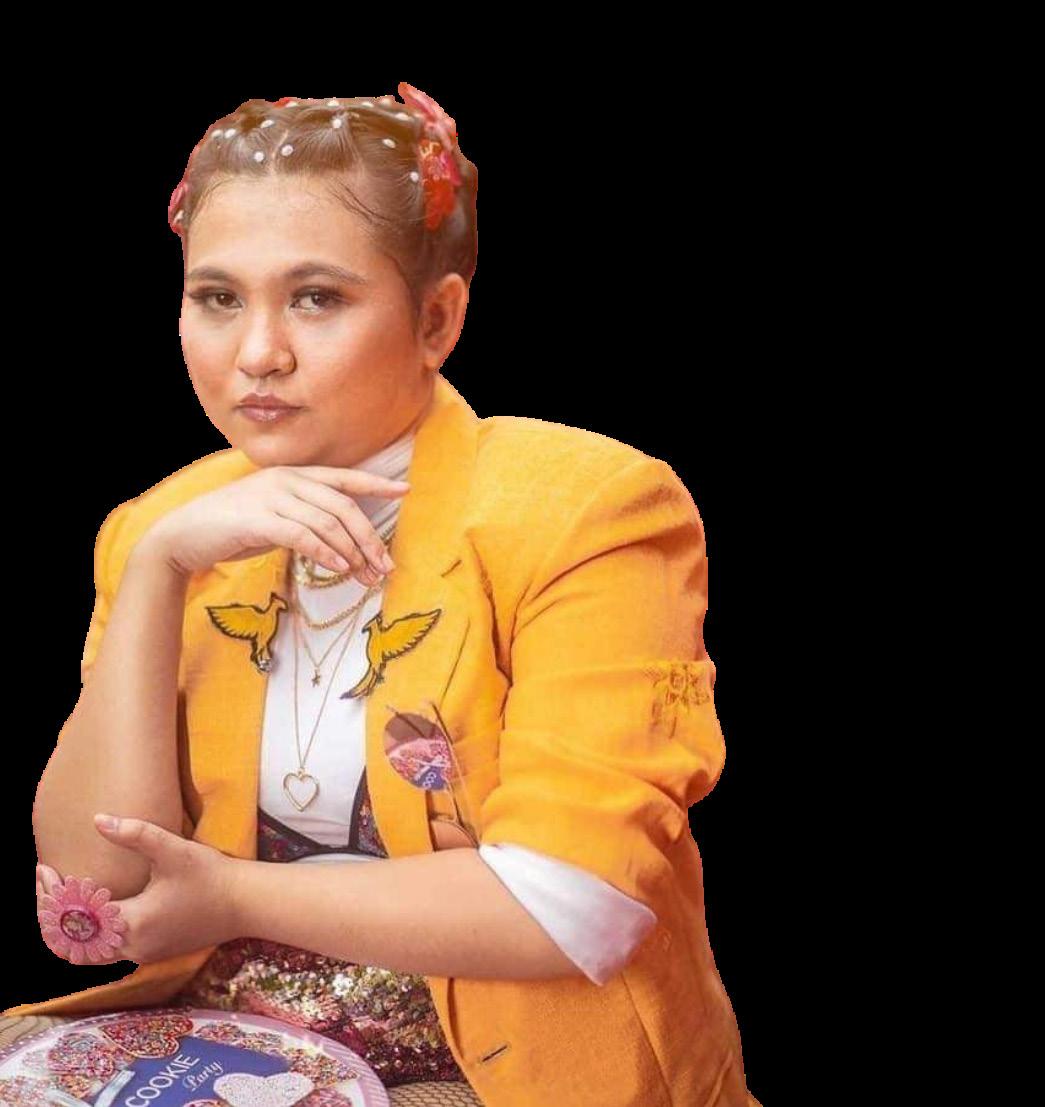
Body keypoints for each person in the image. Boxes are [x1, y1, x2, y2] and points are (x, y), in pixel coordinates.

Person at [0, 90, 762, 1107]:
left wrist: (230, 896)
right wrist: (155, 574)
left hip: (488, 1063)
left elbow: (575, 903)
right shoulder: (165, 522)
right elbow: (101, 885)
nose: (256, 352)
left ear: (436, 317)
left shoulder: (586, 510)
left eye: (315, 297)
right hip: (224, 1043)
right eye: (217, 297)